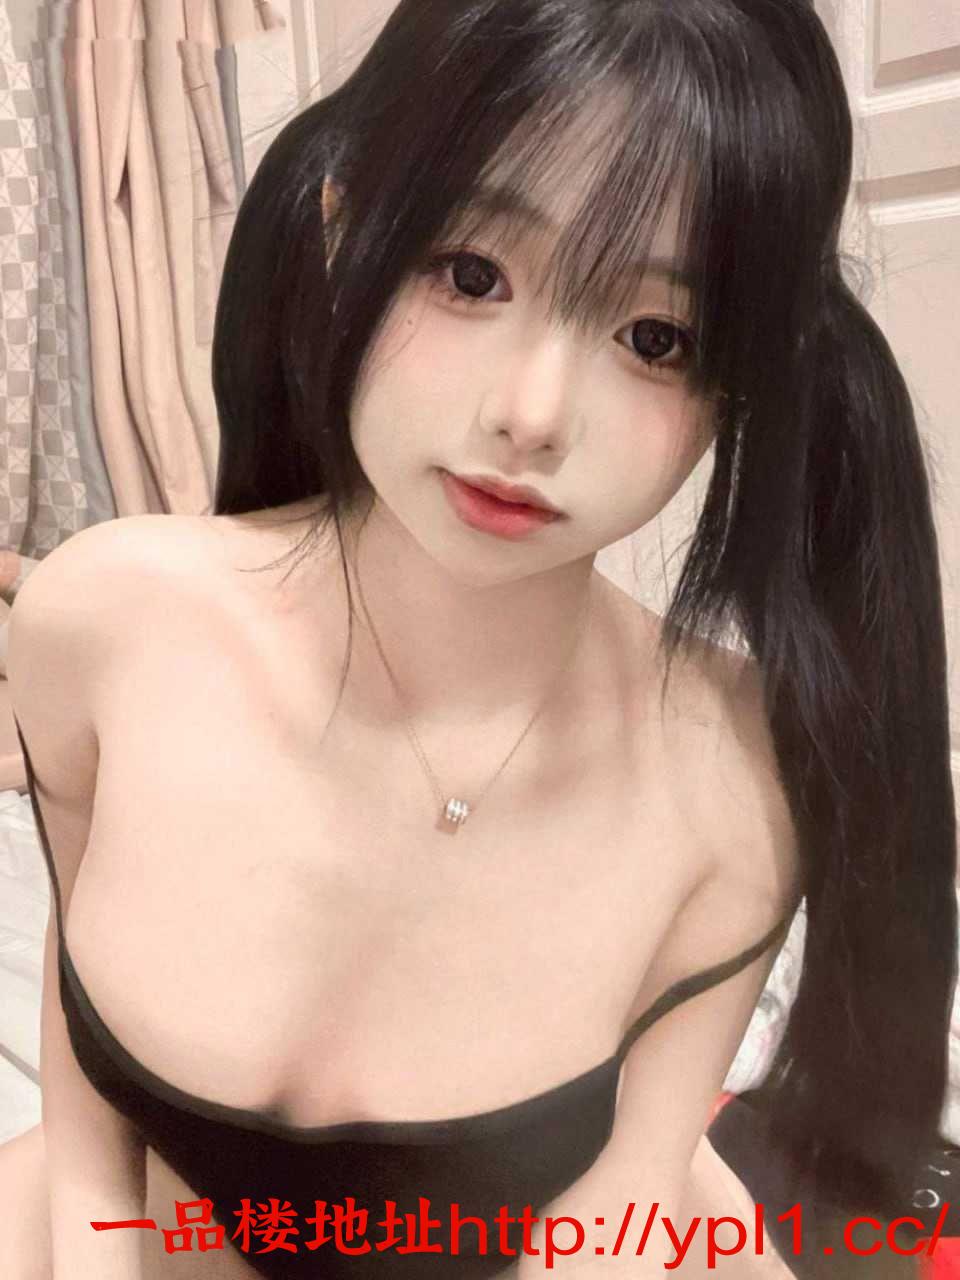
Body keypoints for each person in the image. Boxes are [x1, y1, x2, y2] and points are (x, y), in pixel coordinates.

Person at [2, 0, 955, 1277]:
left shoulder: (735, 784)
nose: (533, 412)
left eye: (655, 338)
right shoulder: (103, 621)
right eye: (469, 274)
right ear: (343, 225)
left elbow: (619, 1210)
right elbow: (85, 1078)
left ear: (741, 381)